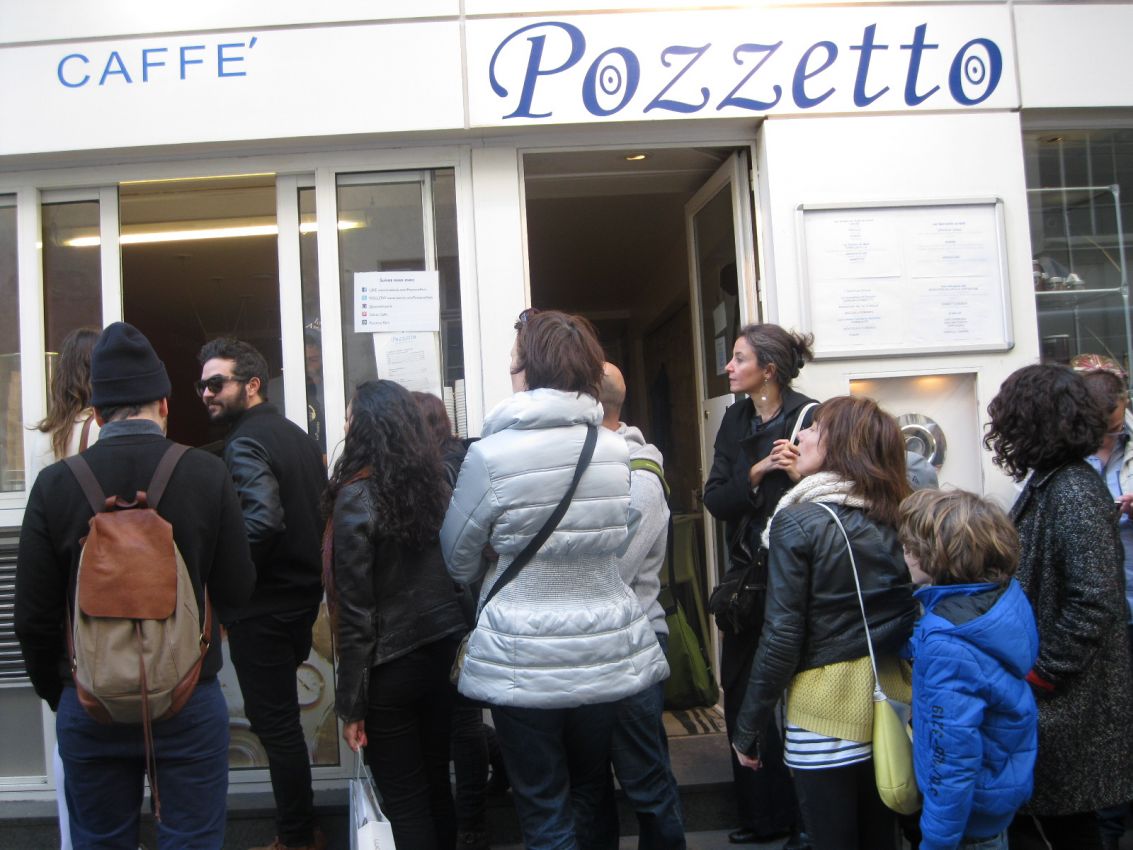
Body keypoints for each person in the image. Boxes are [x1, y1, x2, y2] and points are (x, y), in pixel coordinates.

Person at [16, 321, 255, 849]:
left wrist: (64, 692)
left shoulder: (55, 485)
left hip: (90, 698)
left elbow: (31, 615)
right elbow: (239, 590)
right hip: (187, 698)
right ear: (165, 404)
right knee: (191, 839)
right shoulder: (206, 474)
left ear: (97, 414)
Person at [440, 309, 669, 850]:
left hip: (524, 655)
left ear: (527, 373)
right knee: (591, 787)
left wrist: (503, 551)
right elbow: (614, 544)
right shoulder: (617, 452)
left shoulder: (490, 456)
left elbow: (456, 559)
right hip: (603, 647)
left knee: (543, 802)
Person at [732, 395, 917, 850]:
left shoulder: (799, 521)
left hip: (826, 709)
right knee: (881, 837)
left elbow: (782, 637)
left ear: (841, 444)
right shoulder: (899, 512)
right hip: (892, 700)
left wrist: (748, 726)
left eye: (815, 428)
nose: (802, 435)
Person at [984, 364, 1133, 850]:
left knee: (1070, 828)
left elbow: (1094, 600)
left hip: (1068, 699)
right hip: (1057, 696)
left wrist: (1043, 673)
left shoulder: (1072, 490)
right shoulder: (1055, 480)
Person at [197, 338, 327, 850]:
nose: (205, 393)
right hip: (297, 600)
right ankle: (300, 830)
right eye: (201, 384)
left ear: (252, 386)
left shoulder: (246, 442)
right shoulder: (292, 434)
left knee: (275, 728)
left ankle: (296, 837)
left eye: (217, 383)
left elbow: (263, 521)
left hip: (267, 607)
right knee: (282, 724)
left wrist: (232, 582)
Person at [326, 380, 468, 850]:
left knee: (405, 801)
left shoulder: (355, 497)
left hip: (391, 668)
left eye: (349, 417)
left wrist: (351, 705)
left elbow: (355, 613)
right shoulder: (435, 485)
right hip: (442, 654)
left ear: (363, 428)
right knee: (434, 785)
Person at [702, 323, 816, 846]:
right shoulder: (734, 420)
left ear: (767, 369)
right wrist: (755, 471)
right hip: (750, 579)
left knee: (807, 694)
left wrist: (796, 477)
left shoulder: (811, 416)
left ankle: (810, 815)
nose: (728, 367)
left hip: (803, 577)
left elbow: (836, 492)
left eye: (739, 358)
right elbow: (716, 498)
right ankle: (763, 815)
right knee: (743, 689)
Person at [899, 488, 1039, 850]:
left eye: (910, 546)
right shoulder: (998, 602)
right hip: (995, 799)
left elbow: (953, 762)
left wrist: (936, 841)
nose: (904, 553)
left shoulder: (946, 644)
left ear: (937, 555)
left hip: (964, 822)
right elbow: (977, 668)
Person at [595, 362, 685, 850]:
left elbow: (613, 568)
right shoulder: (594, 463)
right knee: (591, 789)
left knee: (647, 784)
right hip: (598, 646)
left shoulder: (640, 473)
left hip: (635, 645)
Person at [31, 325, 101, 850]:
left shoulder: (44, 437)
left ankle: (73, 836)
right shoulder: (99, 430)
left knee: (70, 730)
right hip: (96, 585)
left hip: (55, 590)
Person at [413, 389, 492, 850]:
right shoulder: (464, 461)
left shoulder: (439, 472)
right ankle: (486, 786)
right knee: (461, 716)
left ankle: (474, 824)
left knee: (461, 720)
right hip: (462, 605)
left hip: (452, 608)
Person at [1071, 354, 1133, 850]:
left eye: (1115, 429)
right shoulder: (1066, 457)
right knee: (1110, 727)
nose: (1109, 439)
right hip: (1104, 614)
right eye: (1102, 431)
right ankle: (1111, 827)